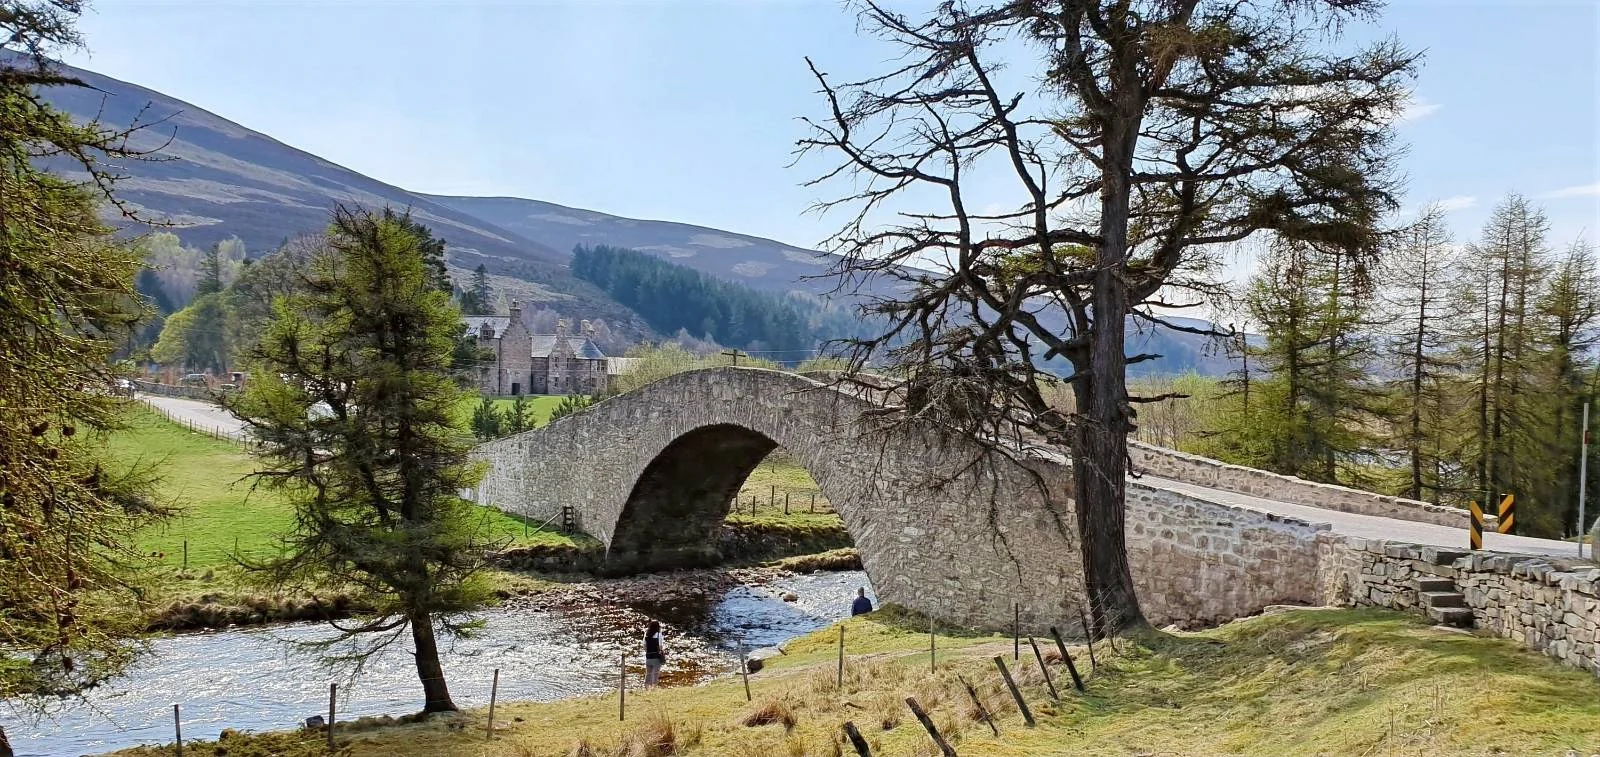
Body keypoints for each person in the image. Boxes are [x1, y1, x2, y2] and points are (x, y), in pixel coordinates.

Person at [643, 620, 666, 687]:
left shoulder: (646, 633)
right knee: (655, 674)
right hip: (656, 657)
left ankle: (646, 688)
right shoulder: (659, 634)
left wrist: (648, 652)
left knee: (648, 673)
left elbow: (644, 646)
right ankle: (653, 689)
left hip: (648, 656)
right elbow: (660, 647)